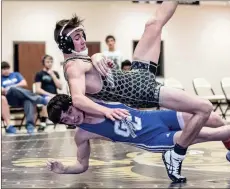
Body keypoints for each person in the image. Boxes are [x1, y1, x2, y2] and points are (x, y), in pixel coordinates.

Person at [53, 1, 218, 181]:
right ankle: (177, 154)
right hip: (143, 91)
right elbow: (77, 99)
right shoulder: (72, 67)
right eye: (77, 37)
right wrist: (107, 111)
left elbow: (91, 77)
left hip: (138, 73)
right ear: (65, 42)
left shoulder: (81, 61)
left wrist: (96, 56)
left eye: (82, 35)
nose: (83, 40)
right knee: (204, 108)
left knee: (153, 23)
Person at [46, 94, 230, 182]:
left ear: (73, 103)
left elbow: (84, 68)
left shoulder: (93, 99)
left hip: (156, 117)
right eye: (65, 119)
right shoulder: (83, 134)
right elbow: (82, 164)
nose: (71, 118)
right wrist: (64, 169)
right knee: (207, 134)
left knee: (213, 119)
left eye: (69, 111)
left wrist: (97, 58)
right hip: (153, 137)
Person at [1, 61, 49, 134]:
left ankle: (30, 126)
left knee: (28, 100)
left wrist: (12, 86)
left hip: (21, 97)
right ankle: (39, 99)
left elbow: (24, 83)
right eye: (4, 69)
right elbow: (2, 90)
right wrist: (11, 88)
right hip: (10, 100)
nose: (6, 70)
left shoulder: (16, 74)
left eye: (7, 68)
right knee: (13, 89)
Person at [34, 55, 62, 131]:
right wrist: (50, 95)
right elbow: (38, 89)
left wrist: (53, 75)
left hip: (55, 96)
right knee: (47, 99)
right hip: (44, 96)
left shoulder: (55, 73)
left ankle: (69, 122)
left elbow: (60, 87)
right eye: (47, 62)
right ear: (43, 63)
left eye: (51, 62)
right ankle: (43, 123)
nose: (49, 63)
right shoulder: (39, 74)